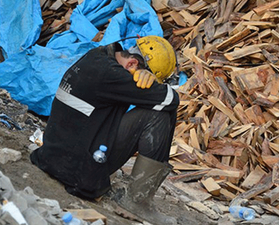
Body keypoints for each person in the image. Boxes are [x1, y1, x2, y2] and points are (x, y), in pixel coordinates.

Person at [30, 36, 179, 224]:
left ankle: (136, 196)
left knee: (158, 108)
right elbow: (171, 100)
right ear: (132, 63)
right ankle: (137, 202)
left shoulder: (98, 56)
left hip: (54, 155)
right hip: (76, 172)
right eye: (144, 74)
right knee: (160, 114)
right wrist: (156, 86)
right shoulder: (113, 75)